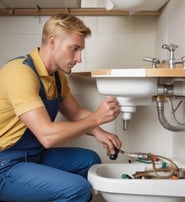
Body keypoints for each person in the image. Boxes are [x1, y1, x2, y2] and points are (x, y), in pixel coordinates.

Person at [0, 14, 121, 202]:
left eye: (80, 50)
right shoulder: (20, 73)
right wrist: (97, 117)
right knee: (78, 189)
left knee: (90, 161)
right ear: (53, 41)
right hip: (5, 165)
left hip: (33, 155)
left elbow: (76, 113)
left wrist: (99, 132)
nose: (79, 58)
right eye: (74, 49)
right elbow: (47, 136)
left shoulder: (56, 76)